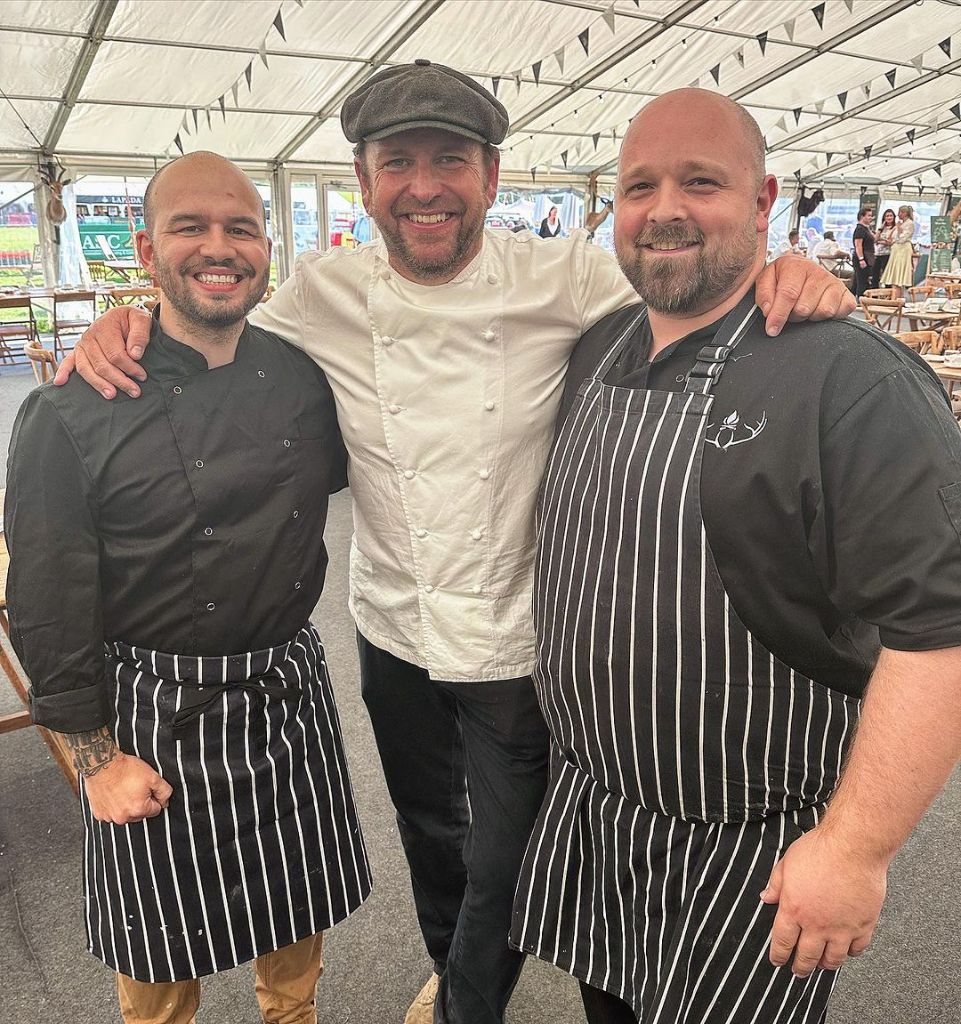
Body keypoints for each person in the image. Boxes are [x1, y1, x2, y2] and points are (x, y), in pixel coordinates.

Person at [56, 63, 854, 1024]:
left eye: (450, 162)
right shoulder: (323, 292)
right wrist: (130, 319)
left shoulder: (561, 275)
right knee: (430, 832)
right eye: (399, 163)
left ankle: (464, 1006)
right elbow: (208, 315)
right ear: (363, 181)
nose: (424, 186)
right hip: (390, 624)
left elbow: (686, 273)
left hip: (514, 631)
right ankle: (449, 964)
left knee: (509, 846)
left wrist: (781, 267)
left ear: (491, 175)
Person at [509, 87, 961, 1024]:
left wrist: (855, 850)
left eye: (700, 181)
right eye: (639, 186)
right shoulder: (596, 348)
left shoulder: (850, 380)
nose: (664, 207)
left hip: (753, 855)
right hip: (600, 815)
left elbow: (938, 635)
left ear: (763, 204)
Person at [5, 152, 371, 1024]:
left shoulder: (300, 373)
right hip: (151, 709)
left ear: (266, 245)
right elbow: (48, 600)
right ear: (145, 247)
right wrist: (93, 760)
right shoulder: (70, 408)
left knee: (294, 911)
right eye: (191, 227)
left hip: (284, 689)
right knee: (155, 946)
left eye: (240, 227)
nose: (219, 247)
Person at [880, 204, 916, 298]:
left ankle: (898, 298)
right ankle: (895, 297)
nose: (898, 214)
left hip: (903, 250)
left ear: (905, 213)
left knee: (900, 273)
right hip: (896, 250)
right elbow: (892, 237)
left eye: (900, 212)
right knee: (895, 275)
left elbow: (902, 238)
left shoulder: (910, 224)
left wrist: (899, 229)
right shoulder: (900, 223)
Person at [852, 206, 876, 297]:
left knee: (858, 280)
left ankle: (853, 299)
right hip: (862, 257)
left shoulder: (866, 229)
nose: (871, 218)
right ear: (862, 216)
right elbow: (858, 245)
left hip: (867, 256)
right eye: (869, 216)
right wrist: (861, 259)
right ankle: (861, 299)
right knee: (862, 280)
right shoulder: (860, 229)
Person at [872, 207, 897, 287]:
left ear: (894, 217)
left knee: (887, 275)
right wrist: (880, 229)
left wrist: (880, 240)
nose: (889, 218)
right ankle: (874, 295)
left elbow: (891, 242)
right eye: (887, 216)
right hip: (878, 253)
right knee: (875, 275)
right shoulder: (881, 228)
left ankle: (888, 295)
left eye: (891, 216)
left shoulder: (895, 228)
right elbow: (875, 239)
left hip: (888, 254)